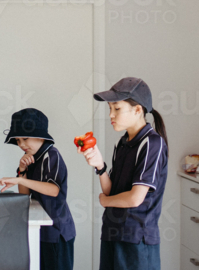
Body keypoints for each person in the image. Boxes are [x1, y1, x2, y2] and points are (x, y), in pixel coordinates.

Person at [78, 77, 169, 270]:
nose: (111, 115)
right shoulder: (123, 142)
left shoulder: (152, 143)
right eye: (110, 109)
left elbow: (135, 198)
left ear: (138, 110)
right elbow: (112, 191)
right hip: (112, 233)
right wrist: (100, 166)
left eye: (116, 109)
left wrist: (105, 202)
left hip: (136, 240)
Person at [0, 108, 76, 270]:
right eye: (17, 141)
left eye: (25, 138)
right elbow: (24, 195)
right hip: (40, 230)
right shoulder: (32, 158)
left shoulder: (51, 155)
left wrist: (19, 178)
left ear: (40, 136)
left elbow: (54, 190)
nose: (21, 145)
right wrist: (22, 170)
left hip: (56, 231)